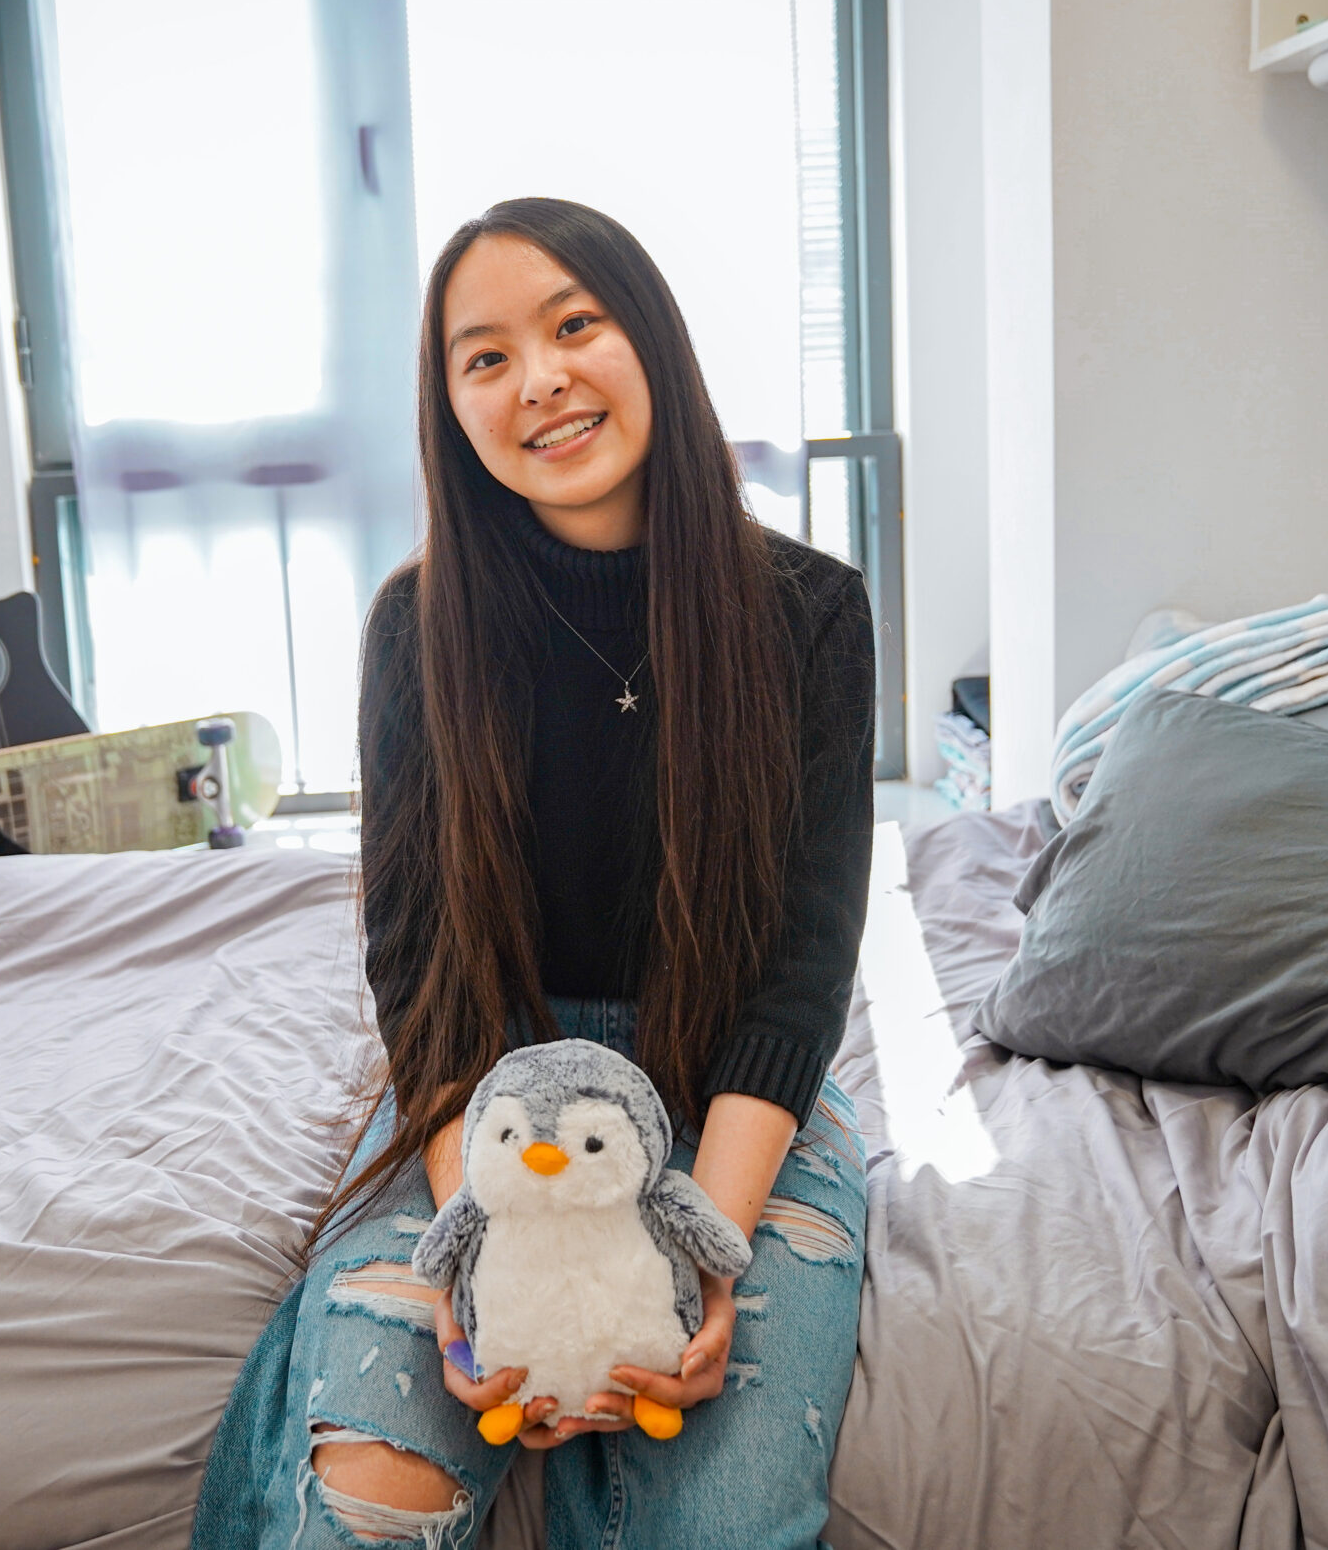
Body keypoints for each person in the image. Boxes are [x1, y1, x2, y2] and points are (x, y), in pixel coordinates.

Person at [192, 197, 875, 1549]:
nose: (541, 378)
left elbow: (801, 972)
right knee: (366, 1498)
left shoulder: (810, 614)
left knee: (722, 1515)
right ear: (452, 409)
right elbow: (424, 969)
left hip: (727, 1086)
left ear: (653, 348)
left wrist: (703, 1250)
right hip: (488, 1087)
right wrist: (491, 1238)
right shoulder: (417, 629)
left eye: (576, 324)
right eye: (485, 356)